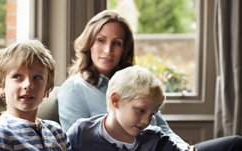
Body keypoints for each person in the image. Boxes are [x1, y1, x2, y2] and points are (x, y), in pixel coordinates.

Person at [57, 10, 242, 151]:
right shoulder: (74, 89)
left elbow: (162, 128)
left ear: (124, 48)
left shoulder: (138, 85)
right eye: (101, 40)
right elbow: (76, 144)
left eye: (117, 43)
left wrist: (183, 147)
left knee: (234, 144)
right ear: (89, 43)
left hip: (162, 147)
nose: (108, 50)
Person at [0, 40, 72, 151]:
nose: (28, 85)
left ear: (47, 88)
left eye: (37, 77)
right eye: (17, 76)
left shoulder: (56, 131)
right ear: (1, 86)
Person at [68, 65, 186, 151]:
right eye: (141, 110)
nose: (146, 121)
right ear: (116, 100)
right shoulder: (81, 133)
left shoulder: (156, 139)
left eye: (152, 114)